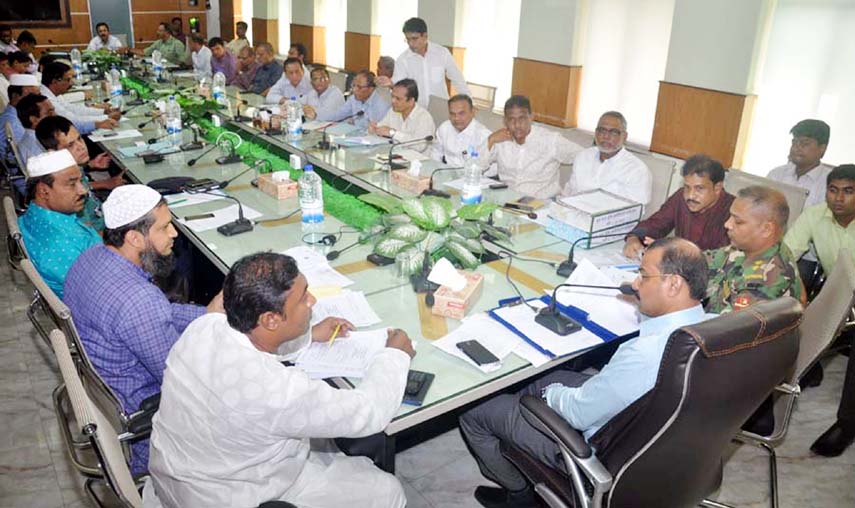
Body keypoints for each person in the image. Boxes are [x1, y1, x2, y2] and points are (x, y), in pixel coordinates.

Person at [143, 252, 414, 508]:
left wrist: (307, 336)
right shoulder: (276, 391)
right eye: (303, 298)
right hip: (235, 495)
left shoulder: (204, 328)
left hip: (177, 480)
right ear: (272, 319)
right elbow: (369, 412)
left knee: (326, 449)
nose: (312, 302)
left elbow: (257, 343)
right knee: (385, 490)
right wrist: (394, 355)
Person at [460, 238, 713, 508]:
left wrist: (550, 395)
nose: (636, 285)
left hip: (600, 451)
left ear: (674, 284)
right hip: (674, 447)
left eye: (643, 275)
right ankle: (523, 441)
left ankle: (520, 496)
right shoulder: (716, 329)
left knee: (477, 411)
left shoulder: (643, 355)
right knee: (540, 379)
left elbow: (577, 414)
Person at [64, 184, 224, 475]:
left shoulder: (91, 259)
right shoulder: (138, 299)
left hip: (105, 391)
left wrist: (206, 313)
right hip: (145, 414)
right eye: (165, 228)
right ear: (135, 238)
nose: (174, 234)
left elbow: (154, 315)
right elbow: (181, 376)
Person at [783, 164, 855, 457]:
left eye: (848, 192)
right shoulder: (815, 215)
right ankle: (807, 369)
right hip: (839, 295)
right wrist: (798, 288)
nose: (839, 198)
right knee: (790, 316)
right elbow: (786, 254)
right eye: (833, 190)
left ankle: (847, 424)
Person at [705, 186, 804, 314]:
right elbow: (703, 259)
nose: (727, 224)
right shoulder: (749, 248)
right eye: (730, 217)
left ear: (766, 229)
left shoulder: (765, 281)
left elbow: (727, 328)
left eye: (738, 221)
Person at [18, 150, 102, 298]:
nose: (83, 191)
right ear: (44, 191)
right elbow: (101, 294)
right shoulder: (61, 245)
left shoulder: (33, 216)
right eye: (71, 184)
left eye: (80, 181)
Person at [624, 154, 735, 258]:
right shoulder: (681, 197)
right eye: (687, 187)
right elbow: (657, 222)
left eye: (699, 188)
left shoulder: (734, 211)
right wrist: (633, 238)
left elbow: (725, 258)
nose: (690, 195)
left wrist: (673, 252)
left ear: (717, 188)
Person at [481, 95, 582, 198]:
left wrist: (570, 192)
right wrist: (490, 140)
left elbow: (585, 156)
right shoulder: (500, 139)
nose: (517, 124)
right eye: (511, 119)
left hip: (542, 204)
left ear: (531, 117)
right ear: (505, 121)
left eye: (522, 118)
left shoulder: (550, 140)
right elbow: (475, 167)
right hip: (508, 199)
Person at [36, 116, 123, 230]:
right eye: (70, 145)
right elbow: (89, 232)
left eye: (80, 139)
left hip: (100, 212)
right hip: (102, 230)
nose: (81, 147)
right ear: (53, 152)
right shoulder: (66, 193)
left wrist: (89, 165)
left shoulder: (69, 168)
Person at [562, 111, 651, 207]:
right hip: (573, 215)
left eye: (613, 132)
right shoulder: (583, 156)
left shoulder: (636, 170)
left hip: (610, 220)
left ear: (624, 136)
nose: (606, 136)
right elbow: (569, 193)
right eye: (602, 130)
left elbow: (635, 211)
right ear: (595, 133)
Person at [382, 17, 469, 108]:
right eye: (407, 39)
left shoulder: (442, 53)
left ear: (425, 36)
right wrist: (391, 84)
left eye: (414, 39)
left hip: (440, 108)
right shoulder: (403, 60)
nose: (411, 43)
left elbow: (458, 79)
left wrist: (469, 103)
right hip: (416, 111)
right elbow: (399, 85)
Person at [40, 61, 117, 135]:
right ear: (55, 81)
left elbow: (73, 109)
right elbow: (72, 121)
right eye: (68, 79)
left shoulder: (54, 94)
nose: (71, 83)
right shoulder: (46, 100)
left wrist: (102, 112)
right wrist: (106, 117)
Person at [369, 78, 435, 152]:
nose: (393, 101)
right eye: (392, 96)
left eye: (398, 99)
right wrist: (375, 129)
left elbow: (420, 145)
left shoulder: (423, 117)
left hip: (417, 160)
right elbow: (383, 127)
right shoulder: (393, 111)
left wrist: (393, 133)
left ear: (411, 101)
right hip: (396, 156)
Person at [430, 94, 491, 166]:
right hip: (446, 172)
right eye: (452, 114)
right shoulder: (444, 128)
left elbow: (489, 169)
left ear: (473, 112)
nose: (456, 118)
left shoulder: (484, 135)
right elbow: (436, 152)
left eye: (461, 113)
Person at [320, 70, 390, 129]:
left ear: (371, 89)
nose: (354, 90)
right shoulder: (354, 99)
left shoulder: (381, 106)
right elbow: (338, 114)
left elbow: (378, 130)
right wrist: (316, 115)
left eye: (359, 87)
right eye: (353, 85)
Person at [0, 74, 40, 162]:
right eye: (31, 96)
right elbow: (25, 158)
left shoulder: (18, 115)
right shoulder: (12, 122)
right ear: (15, 96)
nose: (36, 100)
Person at [15, 93, 55, 165]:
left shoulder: (32, 138)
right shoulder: (38, 144)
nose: (55, 115)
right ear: (34, 119)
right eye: (50, 112)